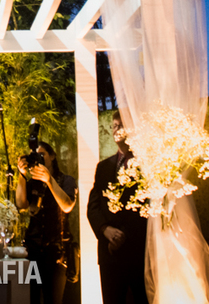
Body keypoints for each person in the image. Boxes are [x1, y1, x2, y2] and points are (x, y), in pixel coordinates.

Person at [87, 113, 148, 304]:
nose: (117, 130)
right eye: (114, 125)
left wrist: (122, 236)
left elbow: (146, 208)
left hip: (137, 252)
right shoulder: (103, 167)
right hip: (109, 255)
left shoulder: (146, 166)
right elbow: (93, 206)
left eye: (122, 125)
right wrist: (105, 230)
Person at [16, 139, 77, 304]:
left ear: (53, 156)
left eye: (42, 154)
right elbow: (21, 204)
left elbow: (67, 205)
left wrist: (49, 180)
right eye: (36, 156)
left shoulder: (66, 180)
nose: (39, 158)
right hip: (33, 250)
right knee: (31, 299)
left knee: (53, 299)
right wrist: (21, 175)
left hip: (56, 251)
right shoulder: (33, 183)